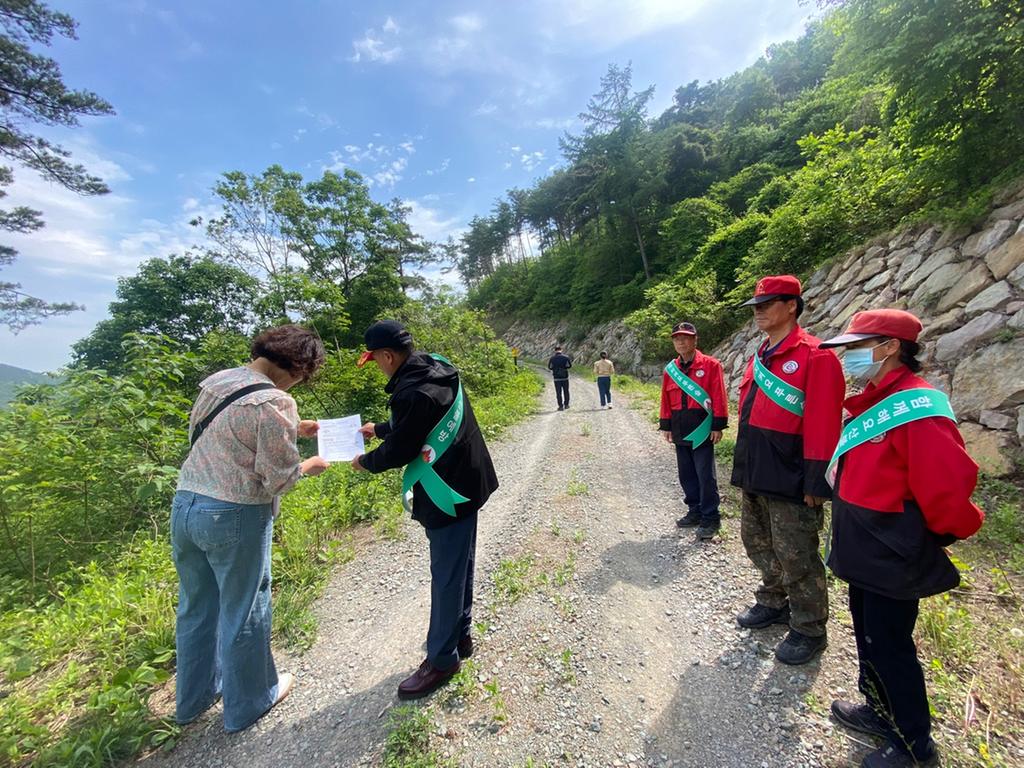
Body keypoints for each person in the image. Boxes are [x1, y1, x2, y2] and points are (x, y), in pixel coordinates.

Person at [819, 310, 983, 768]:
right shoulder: (874, 400)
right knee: (868, 636)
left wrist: (940, 533)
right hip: (862, 546)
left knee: (891, 644)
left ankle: (914, 744)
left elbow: (947, 487)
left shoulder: (917, 406)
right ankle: (878, 710)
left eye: (856, 347)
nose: (849, 357)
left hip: (891, 549)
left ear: (889, 347)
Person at [172, 324, 330, 732]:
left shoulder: (220, 382)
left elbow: (227, 435)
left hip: (186, 504)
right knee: (244, 608)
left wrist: (294, 429)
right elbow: (279, 478)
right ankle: (249, 702)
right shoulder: (276, 400)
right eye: (304, 374)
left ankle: (193, 700)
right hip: (234, 513)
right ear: (297, 368)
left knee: (196, 606)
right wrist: (309, 465)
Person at [352, 320, 498, 699]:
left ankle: (442, 659)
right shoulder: (436, 366)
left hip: (446, 489)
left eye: (375, 360)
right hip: (469, 478)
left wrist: (366, 462)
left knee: (447, 573)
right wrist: (381, 428)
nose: (377, 367)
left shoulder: (411, 391)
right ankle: (459, 635)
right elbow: (419, 423)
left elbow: (403, 448)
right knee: (460, 563)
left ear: (387, 355)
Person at [730, 275, 845, 665]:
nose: (759, 311)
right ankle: (773, 601)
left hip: (792, 474)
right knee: (756, 541)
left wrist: (816, 480)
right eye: (756, 305)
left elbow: (825, 423)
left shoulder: (817, 356)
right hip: (757, 468)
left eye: (768, 303)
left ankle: (810, 626)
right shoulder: (761, 355)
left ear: (792, 305)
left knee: (797, 553)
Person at [659, 322, 728, 540]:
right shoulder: (671, 370)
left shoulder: (710, 365)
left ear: (695, 340)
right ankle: (694, 510)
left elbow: (718, 395)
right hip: (679, 426)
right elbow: (665, 399)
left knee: (705, 474)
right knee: (686, 473)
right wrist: (666, 425)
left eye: (685, 337)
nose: (681, 341)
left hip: (702, 428)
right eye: (677, 338)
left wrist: (717, 425)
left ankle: (710, 516)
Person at [548, 345, 572, 411]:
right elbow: (569, 366)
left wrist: (555, 369)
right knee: (566, 391)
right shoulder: (566, 357)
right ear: (561, 350)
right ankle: (566, 405)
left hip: (556, 378)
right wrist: (564, 368)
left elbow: (550, 367)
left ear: (555, 350)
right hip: (565, 377)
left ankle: (560, 406)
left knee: (558, 392)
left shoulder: (552, 358)